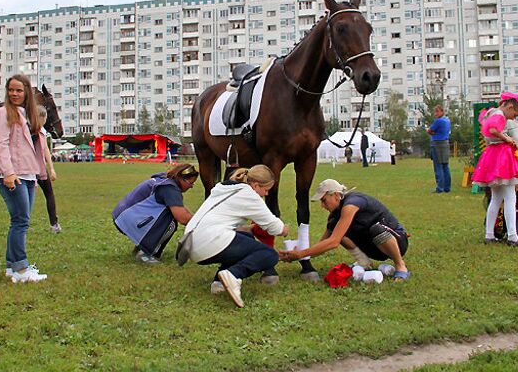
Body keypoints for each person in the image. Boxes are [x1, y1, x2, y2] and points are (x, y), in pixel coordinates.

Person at [183, 165, 288, 308]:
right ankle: (233, 275)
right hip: (209, 243)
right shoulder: (249, 195)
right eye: (266, 190)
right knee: (269, 255)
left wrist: (248, 228)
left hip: (191, 244)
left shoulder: (223, 189)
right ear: (256, 185)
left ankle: (219, 283)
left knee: (246, 237)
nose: (266, 194)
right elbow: (275, 227)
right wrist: (284, 229)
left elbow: (220, 219)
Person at [279, 179, 410, 281]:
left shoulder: (352, 203)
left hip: (397, 242)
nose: (322, 206)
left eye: (324, 201)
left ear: (336, 195)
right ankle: (364, 262)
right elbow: (325, 243)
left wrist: (301, 254)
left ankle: (400, 265)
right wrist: (297, 255)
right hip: (375, 249)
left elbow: (333, 242)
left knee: (376, 229)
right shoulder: (334, 218)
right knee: (339, 234)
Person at [0, 74, 47, 283]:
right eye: (11, 90)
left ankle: (11, 267)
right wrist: (8, 173)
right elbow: (2, 145)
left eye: (19, 90)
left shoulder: (25, 114)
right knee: (20, 222)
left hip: (27, 174)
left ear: (26, 93)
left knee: (19, 221)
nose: (14, 94)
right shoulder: (3, 113)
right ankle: (21, 269)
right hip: (13, 176)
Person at [472, 92, 518, 247]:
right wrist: (507, 138)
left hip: (492, 154)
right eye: (514, 114)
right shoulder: (499, 115)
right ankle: (513, 236)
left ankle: (489, 234)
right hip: (501, 155)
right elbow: (492, 130)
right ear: (510, 106)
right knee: (510, 196)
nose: (513, 118)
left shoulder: (491, 113)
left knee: (497, 198)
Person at [113, 163, 198, 264]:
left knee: (166, 215)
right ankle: (145, 254)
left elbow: (181, 207)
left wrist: (196, 218)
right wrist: (200, 223)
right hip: (126, 219)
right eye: (190, 183)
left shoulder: (165, 180)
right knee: (170, 221)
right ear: (181, 178)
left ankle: (141, 247)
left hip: (121, 216)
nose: (191, 186)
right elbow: (182, 218)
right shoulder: (170, 189)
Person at [35, 106, 61, 233]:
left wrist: (51, 169)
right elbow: (45, 150)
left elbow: (45, 149)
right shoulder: (40, 130)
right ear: (43, 117)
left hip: (28, 169)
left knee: (27, 198)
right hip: (38, 169)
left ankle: (21, 223)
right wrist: (51, 169)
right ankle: (54, 223)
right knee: (49, 194)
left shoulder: (26, 129)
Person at [427, 105, 451, 193]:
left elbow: (429, 130)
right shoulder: (447, 120)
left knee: (438, 166)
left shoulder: (438, 121)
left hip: (437, 144)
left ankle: (440, 188)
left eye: (437, 111)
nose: (435, 114)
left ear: (442, 111)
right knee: (445, 166)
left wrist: (432, 132)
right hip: (445, 143)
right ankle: (447, 187)